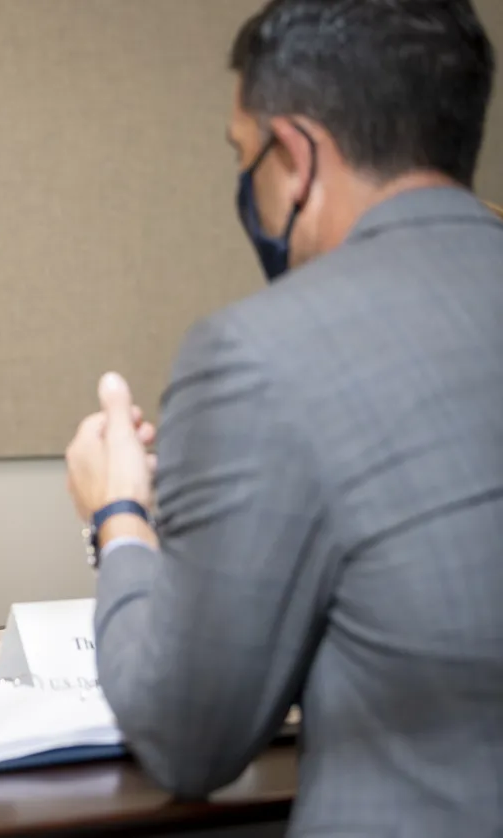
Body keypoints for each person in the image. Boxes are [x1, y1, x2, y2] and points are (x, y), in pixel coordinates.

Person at [64, 1, 502, 834]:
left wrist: (119, 516)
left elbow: (188, 738)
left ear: (296, 155)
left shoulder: (259, 355)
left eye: (244, 154)